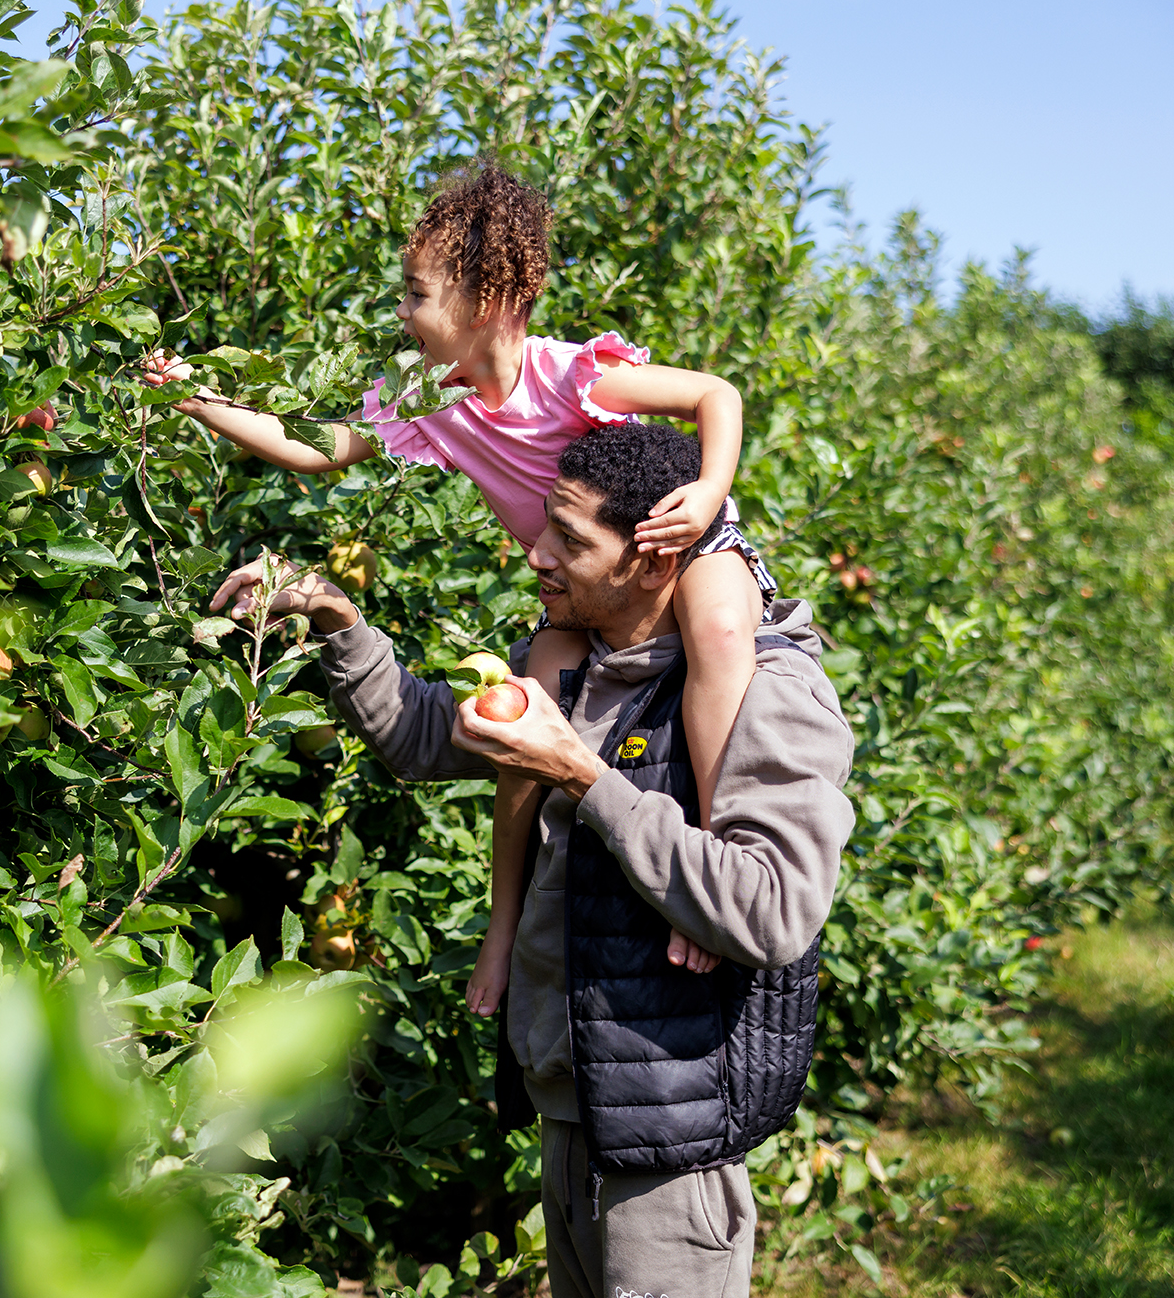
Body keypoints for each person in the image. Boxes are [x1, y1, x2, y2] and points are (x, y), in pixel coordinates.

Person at [207, 422, 854, 1297]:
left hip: (671, 1136)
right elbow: (422, 733)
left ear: (655, 559)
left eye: (572, 540)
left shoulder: (769, 693)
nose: (538, 554)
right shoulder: (578, 669)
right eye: (545, 525)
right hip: (577, 1111)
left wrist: (585, 778)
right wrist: (332, 611)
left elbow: (772, 908)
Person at [145, 162, 777, 1016]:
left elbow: (715, 394)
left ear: (482, 301)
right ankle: (503, 922)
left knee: (724, 639)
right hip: (583, 594)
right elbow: (314, 446)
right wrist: (197, 397)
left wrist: (705, 493)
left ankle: (713, 855)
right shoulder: (428, 402)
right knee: (522, 716)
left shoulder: (571, 375)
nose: (400, 314)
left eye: (414, 295)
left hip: (679, 541)